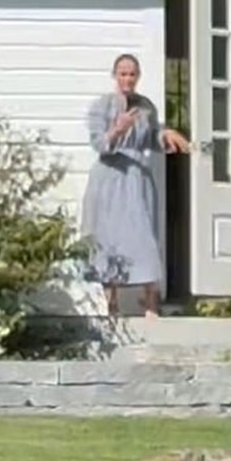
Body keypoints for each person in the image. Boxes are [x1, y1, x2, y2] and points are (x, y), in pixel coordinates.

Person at [80, 53, 190, 319]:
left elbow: (150, 138)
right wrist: (117, 129)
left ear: (138, 76)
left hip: (137, 179)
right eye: (122, 73)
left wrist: (166, 134)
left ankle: (150, 301)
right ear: (115, 75)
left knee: (143, 237)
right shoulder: (102, 106)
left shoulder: (146, 107)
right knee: (108, 238)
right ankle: (111, 304)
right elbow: (99, 145)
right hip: (109, 178)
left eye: (132, 74)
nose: (127, 79)